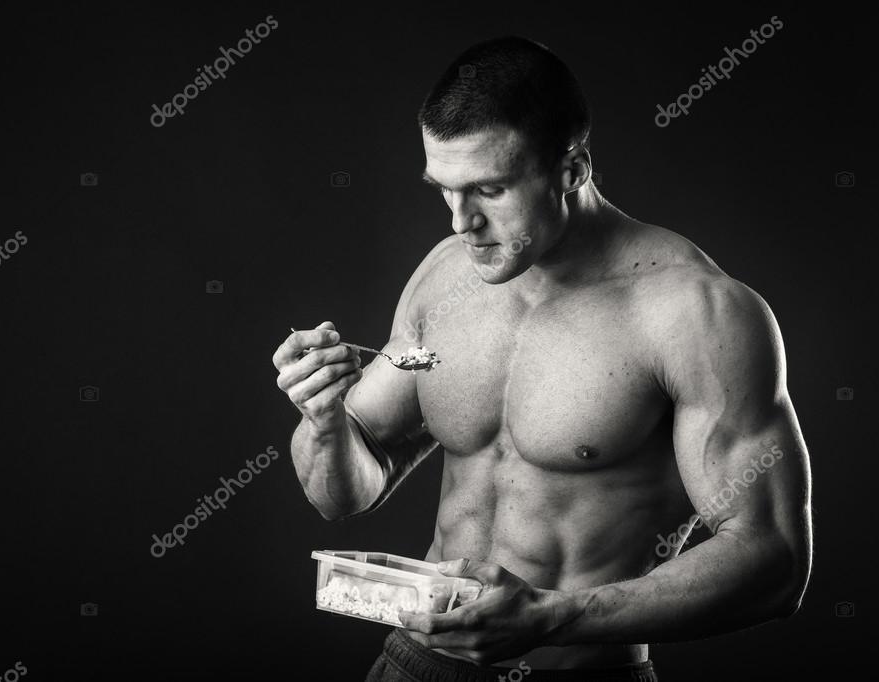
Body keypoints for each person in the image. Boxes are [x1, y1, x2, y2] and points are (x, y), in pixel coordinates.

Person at [272, 35, 812, 682]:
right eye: (443, 191)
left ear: (571, 170)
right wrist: (325, 420)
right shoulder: (444, 280)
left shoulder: (695, 313)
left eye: (488, 190)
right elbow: (343, 495)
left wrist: (549, 616)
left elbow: (774, 560)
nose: (458, 223)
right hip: (417, 664)